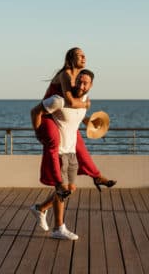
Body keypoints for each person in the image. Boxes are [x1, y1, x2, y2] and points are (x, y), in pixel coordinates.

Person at [32, 47, 116, 191]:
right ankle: (58, 182)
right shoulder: (66, 74)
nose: (84, 57)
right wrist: (86, 104)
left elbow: (73, 110)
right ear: (71, 58)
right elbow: (70, 102)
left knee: (80, 148)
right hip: (48, 116)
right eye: (79, 55)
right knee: (54, 143)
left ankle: (96, 176)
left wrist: (87, 120)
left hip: (63, 117)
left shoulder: (80, 79)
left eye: (84, 55)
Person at [30, 69, 95, 240]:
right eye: (79, 81)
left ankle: (40, 208)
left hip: (71, 151)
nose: (81, 85)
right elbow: (35, 112)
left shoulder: (84, 102)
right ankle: (59, 228)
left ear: (91, 85)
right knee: (62, 189)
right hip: (58, 152)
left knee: (70, 189)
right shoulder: (59, 100)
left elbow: (76, 119)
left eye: (85, 82)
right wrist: (39, 133)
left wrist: (92, 123)